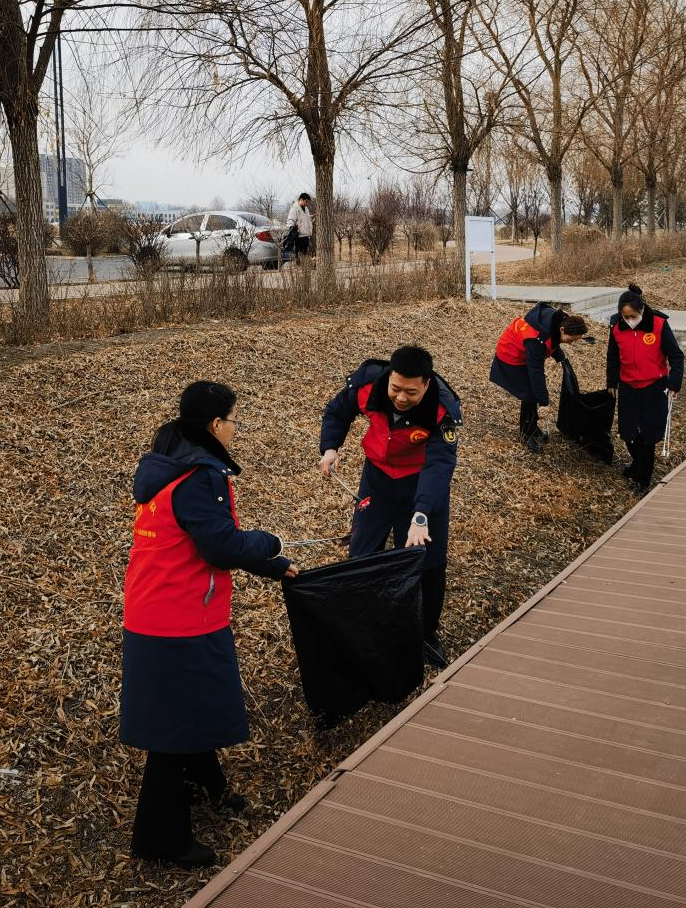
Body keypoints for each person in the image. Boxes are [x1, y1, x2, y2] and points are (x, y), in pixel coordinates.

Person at [122, 381, 297, 868]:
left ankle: (208, 786)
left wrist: (274, 566)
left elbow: (199, 541)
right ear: (216, 426)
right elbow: (221, 545)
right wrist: (269, 542)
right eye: (232, 419)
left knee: (193, 707)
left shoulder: (169, 466)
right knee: (174, 727)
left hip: (153, 608)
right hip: (179, 619)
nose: (235, 427)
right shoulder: (202, 477)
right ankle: (160, 838)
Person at [319, 345, 460, 667]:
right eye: (395, 388)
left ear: (426, 384)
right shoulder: (367, 387)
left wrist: (421, 514)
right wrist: (330, 448)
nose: (400, 397)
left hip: (419, 481)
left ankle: (425, 632)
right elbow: (336, 412)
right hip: (377, 476)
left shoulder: (443, 409)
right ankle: (363, 621)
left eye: (411, 392)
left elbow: (439, 465)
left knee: (427, 557)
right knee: (362, 550)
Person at [606, 285, 684, 492]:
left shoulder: (658, 324)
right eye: (626, 317)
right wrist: (611, 381)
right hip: (628, 385)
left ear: (641, 311)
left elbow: (676, 356)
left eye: (633, 317)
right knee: (628, 432)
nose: (630, 321)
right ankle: (636, 463)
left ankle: (643, 479)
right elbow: (613, 356)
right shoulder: (616, 327)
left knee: (649, 435)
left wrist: (674, 382)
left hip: (654, 386)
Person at [489, 303, 588, 451]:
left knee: (533, 391)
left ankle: (532, 427)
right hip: (510, 354)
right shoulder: (537, 339)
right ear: (562, 329)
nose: (571, 343)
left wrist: (560, 357)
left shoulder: (559, 319)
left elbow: (553, 339)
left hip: (524, 351)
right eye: (571, 339)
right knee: (530, 393)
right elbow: (536, 372)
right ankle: (526, 433)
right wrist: (543, 401)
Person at [283, 192, 313, 261]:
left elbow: (305, 218)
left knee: (305, 254)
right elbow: (290, 220)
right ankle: (299, 267)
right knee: (299, 254)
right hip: (299, 236)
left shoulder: (306, 209)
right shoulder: (294, 209)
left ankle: (304, 268)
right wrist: (292, 226)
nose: (307, 204)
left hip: (306, 235)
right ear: (301, 199)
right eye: (306, 201)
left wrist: (311, 217)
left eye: (307, 202)